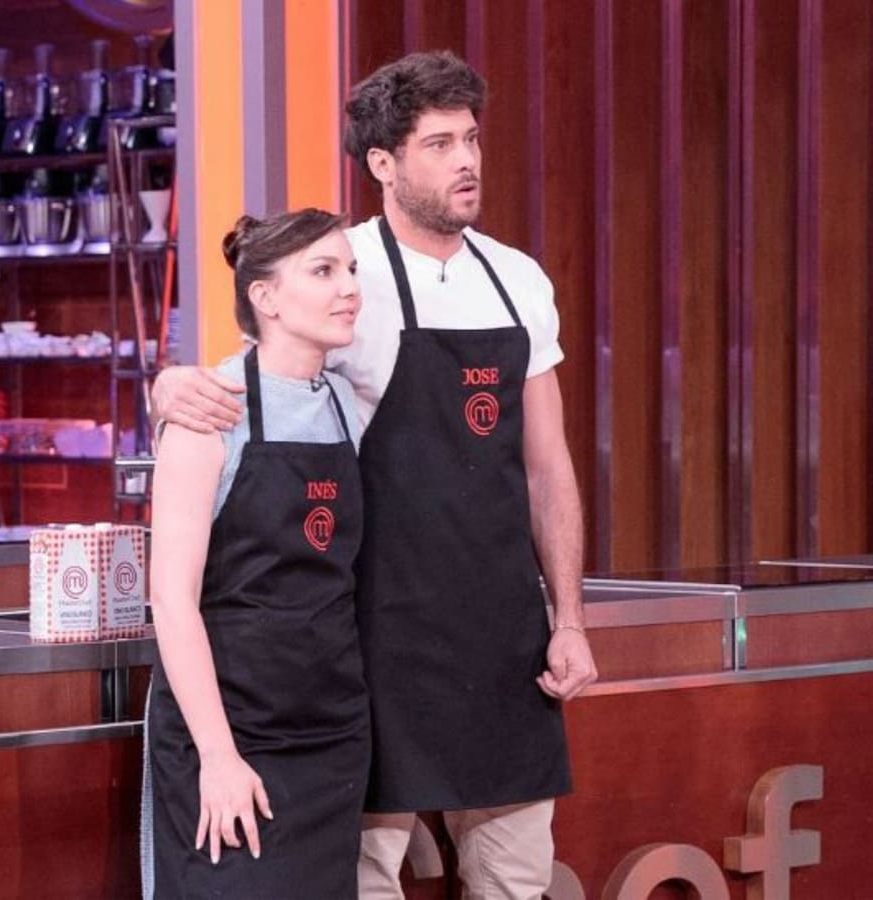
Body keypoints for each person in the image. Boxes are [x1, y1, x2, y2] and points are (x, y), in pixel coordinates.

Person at [154, 51, 597, 898]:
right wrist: (167, 386)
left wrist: (568, 618)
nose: (467, 161)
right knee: (366, 881)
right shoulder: (337, 269)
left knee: (516, 880)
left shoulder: (519, 279)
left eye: (472, 139)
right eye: (440, 144)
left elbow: (548, 468)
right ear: (384, 164)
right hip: (376, 634)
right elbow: (248, 384)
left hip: (506, 635)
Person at [143, 208, 371, 898]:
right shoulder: (208, 411)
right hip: (230, 730)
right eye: (323, 271)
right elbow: (172, 602)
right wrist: (218, 757)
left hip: (331, 732)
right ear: (265, 297)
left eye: (351, 270)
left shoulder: (347, 402)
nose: (349, 288)